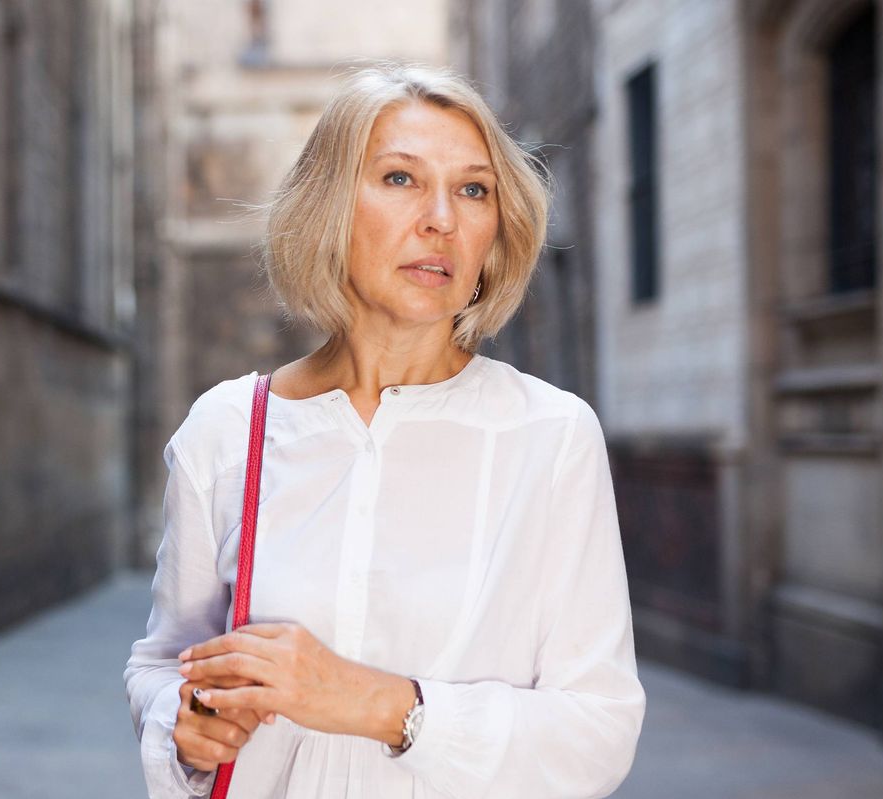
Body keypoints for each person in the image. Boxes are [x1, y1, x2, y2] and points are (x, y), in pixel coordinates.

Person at [124, 63, 645, 798]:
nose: (441, 218)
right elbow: (162, 661)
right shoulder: (229, 428)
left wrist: (376, 702)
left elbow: (599, 731)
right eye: (400, 178)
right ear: (330, 206)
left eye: (473, 189)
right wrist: (181, 719)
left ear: (495, 235)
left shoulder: (551, 435)